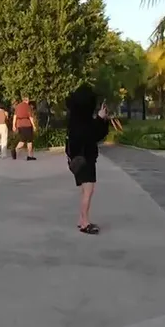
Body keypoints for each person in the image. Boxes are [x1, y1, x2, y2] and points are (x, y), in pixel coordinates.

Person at [65, 84, 111, 235]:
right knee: (88, 191)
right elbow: (93, 135)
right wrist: (101, 118)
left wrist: (100, 119)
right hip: (85, 158)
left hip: (76, 159)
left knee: (85, 190)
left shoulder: (74, 119)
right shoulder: (84, 122)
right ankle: (85, 223)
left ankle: (81, 219)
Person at [13, 95, 36, 161]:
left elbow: (15, 116)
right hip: (27, 125)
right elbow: (30, 117)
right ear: (27, 100)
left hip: (19, 125)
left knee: (22, 140)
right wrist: (34, 125)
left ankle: (15, 150)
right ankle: (29, 156)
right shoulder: (28, 107)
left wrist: (13, 125)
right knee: (29, 141)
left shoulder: (17, 106)